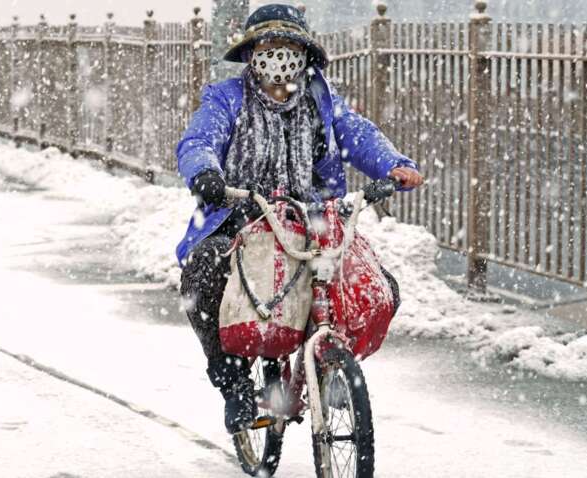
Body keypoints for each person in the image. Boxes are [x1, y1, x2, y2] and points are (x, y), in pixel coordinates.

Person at [176, 4, 424, 434]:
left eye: (288, 46)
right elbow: (199, 140)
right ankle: (235, 386)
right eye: (269, 46)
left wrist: (394, 165)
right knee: (205, 275)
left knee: (377, 286)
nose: (279, 56)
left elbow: (359, 136)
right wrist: (205, 174)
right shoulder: (226, 98)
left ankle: (332, 365)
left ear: (305, 54)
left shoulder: (321, 102)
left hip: (314, 218)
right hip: (244, 215)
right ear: (251, 54)